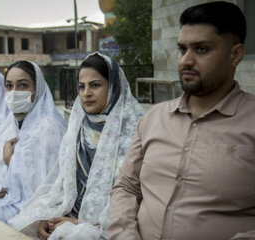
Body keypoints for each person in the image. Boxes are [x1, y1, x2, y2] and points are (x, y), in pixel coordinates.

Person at [107, 2, 255, 240]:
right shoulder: (154, 118)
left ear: (235, 54)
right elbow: (126, 187)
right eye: (182, 49)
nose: (186, 60)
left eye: (202, 49)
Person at [8, 52, 144, 239]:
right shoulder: (77, 128)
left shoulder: (133, 133)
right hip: (69, 214)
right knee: (20, 226)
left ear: (113, 86)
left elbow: (127, 202)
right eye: (81, 87)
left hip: (106, 225)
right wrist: (46, 220)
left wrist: (78, 223)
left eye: (95, 85)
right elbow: (61, 187)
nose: (86, 93)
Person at [0, 60, 67, 223]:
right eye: (9, 86)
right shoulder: (10, 123)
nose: (14, 92)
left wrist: (10, 160)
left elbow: (45, 187)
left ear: (37, 90)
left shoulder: (50, 126)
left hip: (29, 206)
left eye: (23, 86)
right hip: (4, 198)